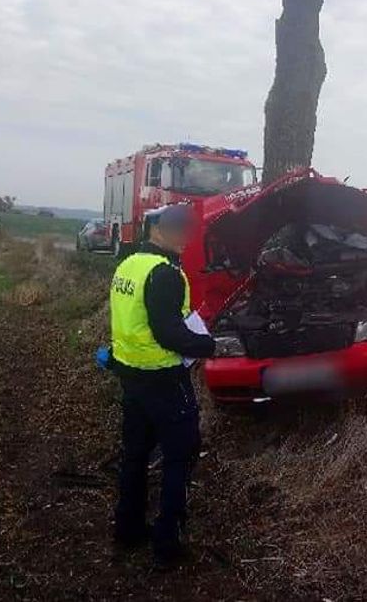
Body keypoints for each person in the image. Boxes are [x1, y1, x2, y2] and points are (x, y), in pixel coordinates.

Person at [108, 203, 215, 567]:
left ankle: (128, 528)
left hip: (131, 377)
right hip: (165, 380)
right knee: (179, 457)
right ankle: (168, 543)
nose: (183, 236)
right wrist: (210, 345)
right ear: (155, 230)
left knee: (135, 455)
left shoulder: (128, 265)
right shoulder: (165, 273)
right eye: (175, 228)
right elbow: (170, 334)